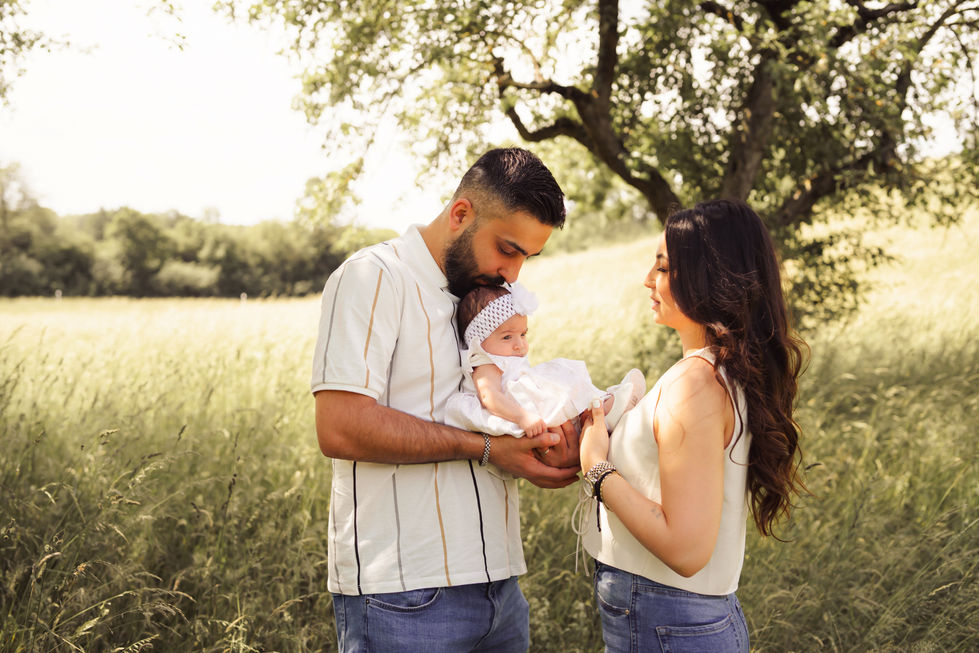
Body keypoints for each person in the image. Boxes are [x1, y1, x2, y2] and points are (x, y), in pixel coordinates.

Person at [311, 147, 581, 652]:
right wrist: (484, 448)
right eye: (507, 249)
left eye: (527, 256)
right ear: (461, 214)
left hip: (500, 588)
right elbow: (340, 426)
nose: (513, 274)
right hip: (403, 595)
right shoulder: (374, 277)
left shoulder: (486, 299)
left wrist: (537, 444)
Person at [577, 199, 808, 652]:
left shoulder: (696, 384)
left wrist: (597, 468)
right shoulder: (720, 371)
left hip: (666, 617)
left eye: (663, 268)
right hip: (677, 619)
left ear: (709, 276)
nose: (648, 279)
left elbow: (685, 549)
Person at [445, 282, 645, 439]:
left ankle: (601, 408)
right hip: (520, 407)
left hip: (529, 400)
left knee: (563, 376)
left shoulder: (502, 356)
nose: (519, 344)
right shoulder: (485, 363)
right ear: (478, 343)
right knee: (561, 383)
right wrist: (522, 418)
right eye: (507, 337)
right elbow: (490, 397)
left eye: (523, 334)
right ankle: (605, 411)